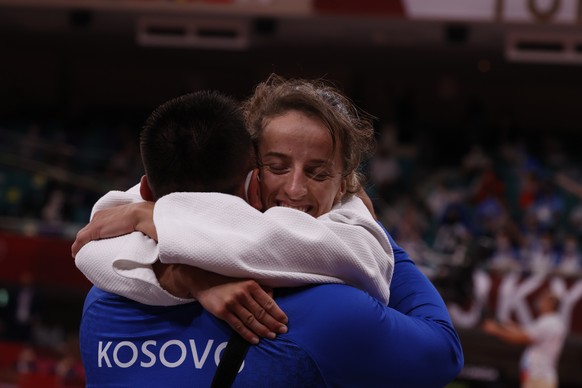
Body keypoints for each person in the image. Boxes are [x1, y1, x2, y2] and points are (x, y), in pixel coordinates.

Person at [75, 76, 463, 385]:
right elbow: (443, 350)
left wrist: (175, 257)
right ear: (250, 176)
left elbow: (90, 245)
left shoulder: (106, 299)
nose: (294, 190)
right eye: (276, 167)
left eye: (317, 172)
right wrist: (367, 222)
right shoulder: (335, 313)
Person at [482, 289, 567, 388]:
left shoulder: (547, 322)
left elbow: (521, 338)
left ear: (550, 304)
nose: (540, 302)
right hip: (538, 378)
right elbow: (524, 332)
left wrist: (496, 331)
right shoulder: (552, 322)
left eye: (543, 300)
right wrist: (506, 327)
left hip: (539, 378)